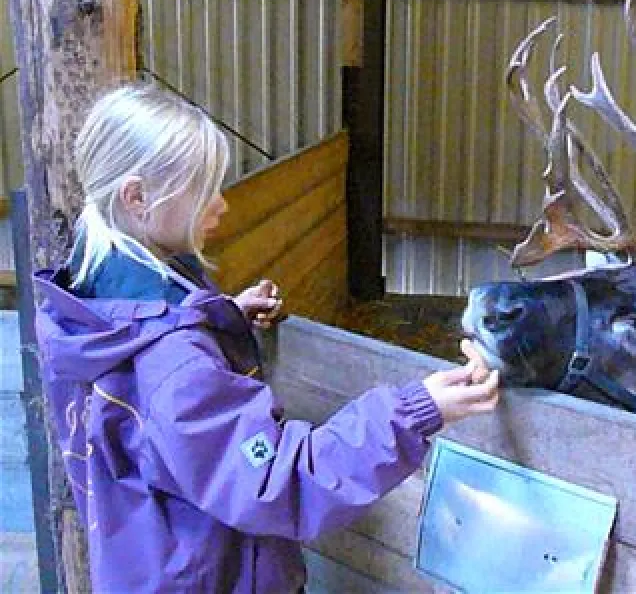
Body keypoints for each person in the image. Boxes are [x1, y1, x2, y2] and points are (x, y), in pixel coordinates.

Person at [33, 80, 500, 593]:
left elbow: (154, 417)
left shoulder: (89, 301)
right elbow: (280, 482)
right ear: (138, 196)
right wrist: (415, 409)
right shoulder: (173, 365)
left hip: (149, 564)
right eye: (202, 187)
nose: (221, 205)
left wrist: (218, 319)